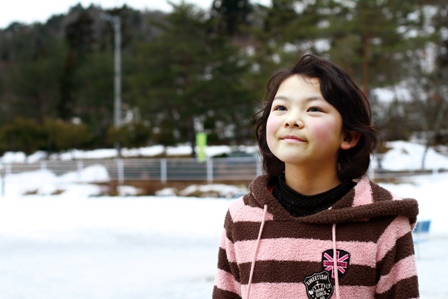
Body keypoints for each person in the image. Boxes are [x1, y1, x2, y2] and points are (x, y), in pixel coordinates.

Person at [212, 53, 419, 299]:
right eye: (281, 107)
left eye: (313, 109)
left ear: (349, 136)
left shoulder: (384, 220)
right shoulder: (242, 217)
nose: (292, 120)